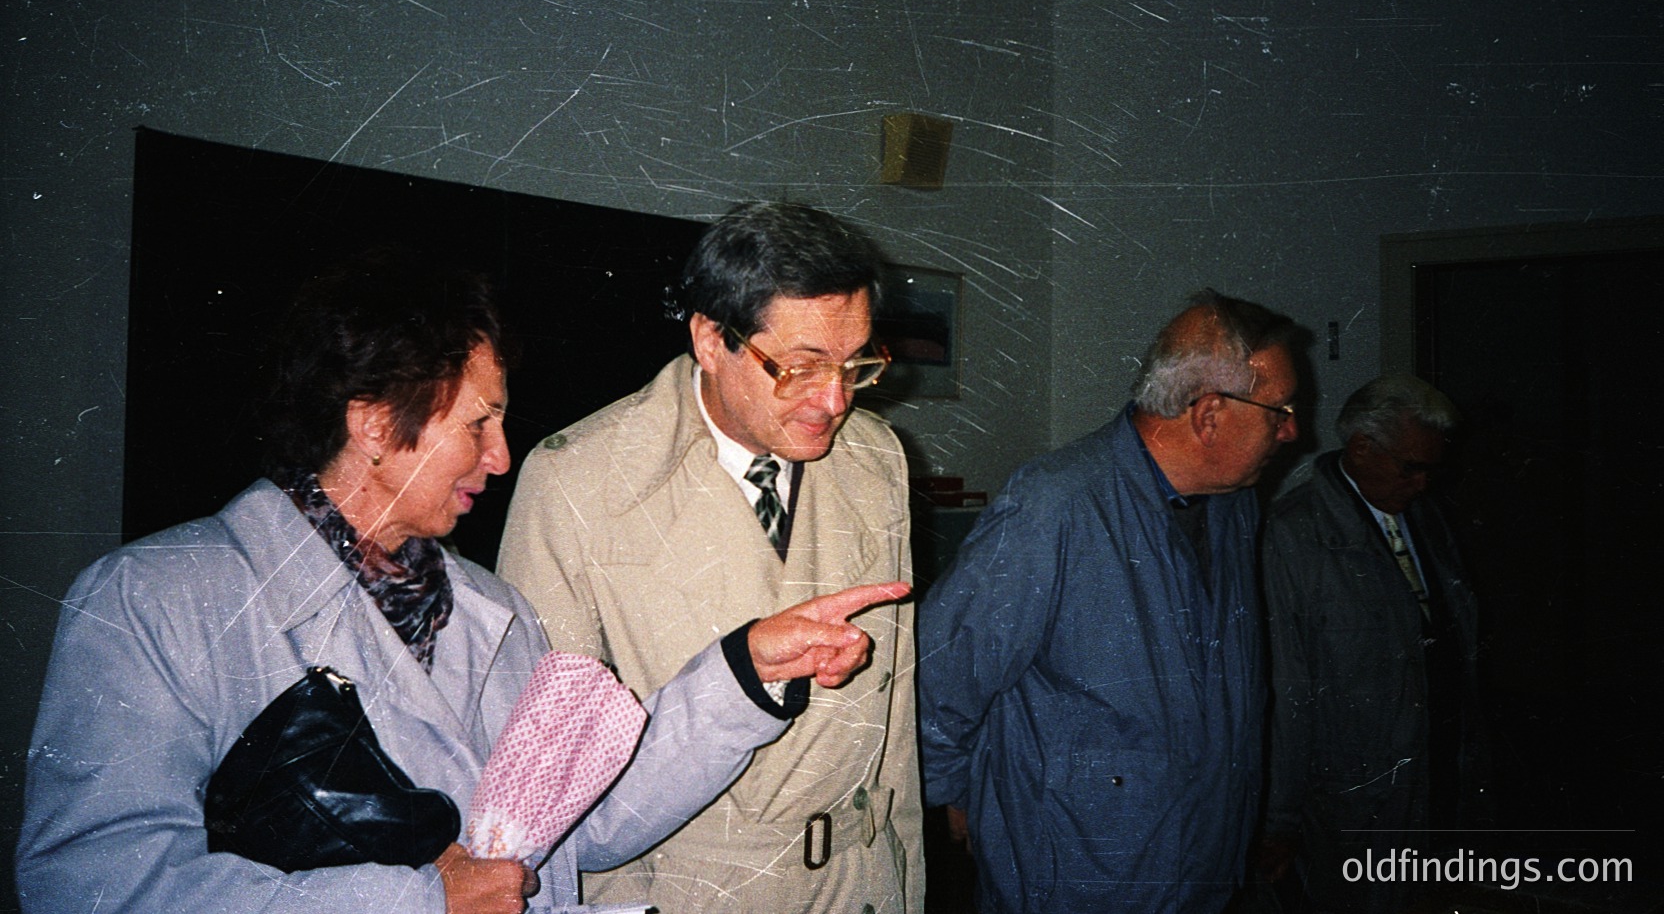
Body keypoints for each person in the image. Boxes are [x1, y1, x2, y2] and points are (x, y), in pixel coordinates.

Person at [16, 249, 906, 914]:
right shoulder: (156, 600)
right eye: (479, 423)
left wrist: (745, 673)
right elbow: (89, 882)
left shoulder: (493, 612)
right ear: (371, 420)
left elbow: (578, 825)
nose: (503, 456)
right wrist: (415, 902)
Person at [498, 202, 922, 913]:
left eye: (855, 366)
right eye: (801, 367)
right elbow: (541, 781)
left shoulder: (875, 460)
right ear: (709, 338)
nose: (834, 400)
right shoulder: (577, 481)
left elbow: (895, 724)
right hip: (692, 890)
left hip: (859, 886)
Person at [916, 290, 1301, 914]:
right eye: (1278, 409)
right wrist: (965, 805)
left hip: (1204, 871)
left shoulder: (1233, 506)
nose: (1292, 429)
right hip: (1075, 885)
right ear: (1208, 416)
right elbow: (934, 684)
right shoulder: (1056, 507)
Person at [1259, 374, 1485, 913]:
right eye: (1412, 466)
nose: (1423, 483)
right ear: (1362, 448)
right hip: (1354, 799)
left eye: (1433, 468)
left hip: (1435, 774)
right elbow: (1287, 693)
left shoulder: (1424, 517)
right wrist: (1279, 820)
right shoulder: (1293, 535)